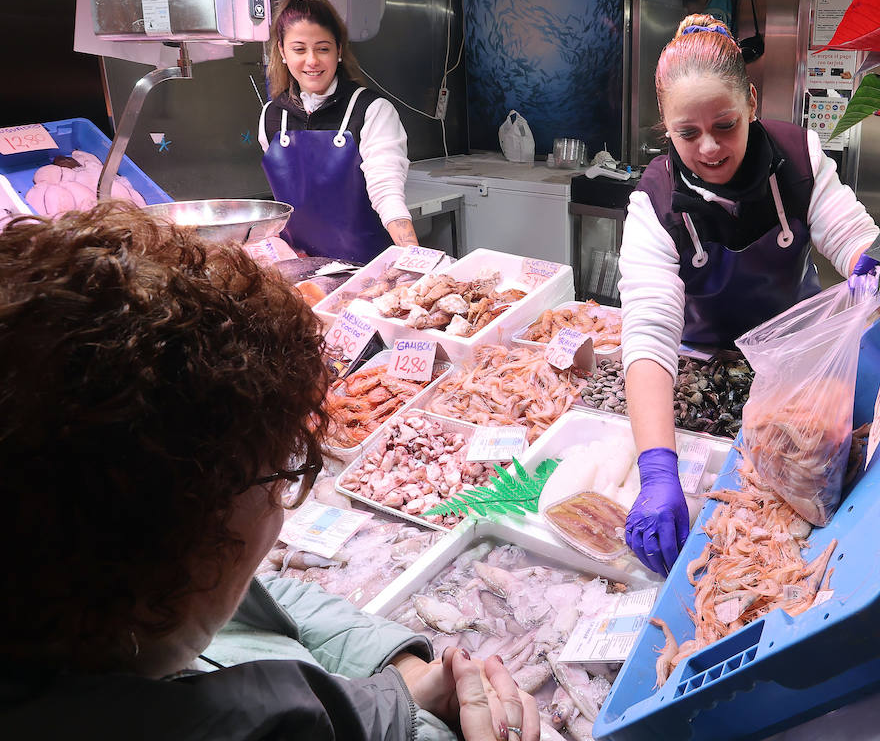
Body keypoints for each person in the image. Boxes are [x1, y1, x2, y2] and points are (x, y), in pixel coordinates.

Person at [0, 204, 535, 741]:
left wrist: (401, 677)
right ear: (192, 528)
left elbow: (268, 599)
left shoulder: (115, 617)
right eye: (281, 471)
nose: (284, 496)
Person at [618, 14, 880, 576]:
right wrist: (658, 471)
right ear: (666, 125)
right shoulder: (655, 203)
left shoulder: (799, 157)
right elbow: (648, 331)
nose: (709, 147)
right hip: (702, 369)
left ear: (752, 103)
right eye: (688, 133)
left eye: (726, 125)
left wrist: (868, 261)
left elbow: (850, 233)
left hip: (797, 371)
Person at [259, 0, 418, 264]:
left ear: (339, 51)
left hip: (368, 268)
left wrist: (414, 257)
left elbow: (386, 189)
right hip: (302, 267)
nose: (312, 61)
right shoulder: (271, 116)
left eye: (323, 48)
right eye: (299, 49)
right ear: (282, 51)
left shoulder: (371, 110)